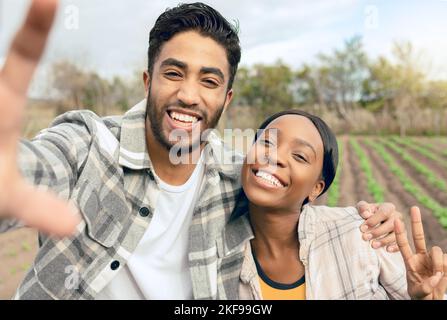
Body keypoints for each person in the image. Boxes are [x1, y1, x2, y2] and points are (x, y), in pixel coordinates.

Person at [0, 1, 401, 299]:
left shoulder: (237, 176)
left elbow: (295, 214)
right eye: (173, 73)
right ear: (147, 81)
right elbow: (33, 168)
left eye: (208, 81)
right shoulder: (89, 145)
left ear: (226, 100)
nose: (188, 95)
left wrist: (369, 223)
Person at [216, 110, 447, 299]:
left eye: (300, 156)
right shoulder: (215, 253)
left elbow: (419, 292)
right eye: (267, 142)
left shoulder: (362, 233)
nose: (274, 157)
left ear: (316, 188)